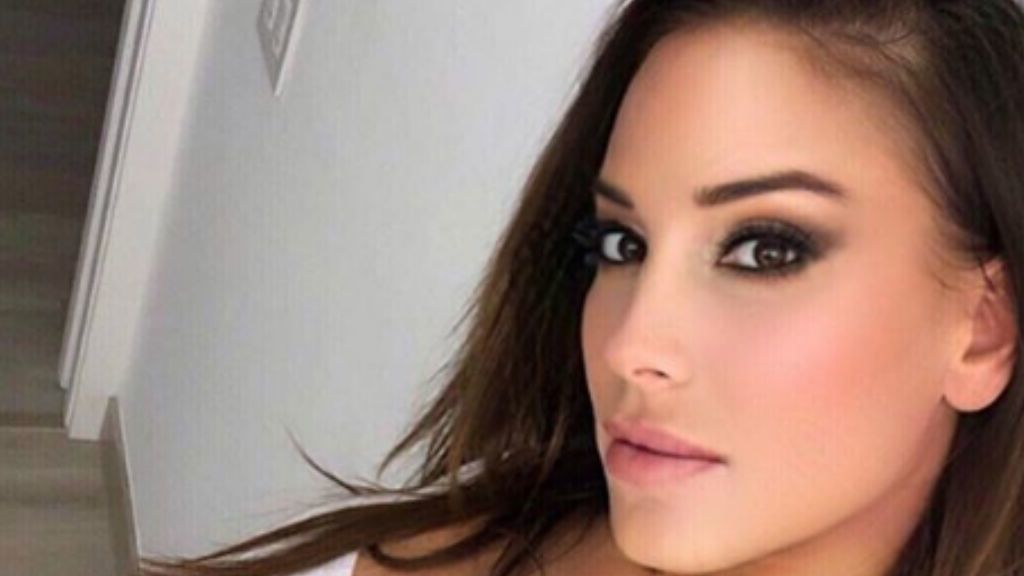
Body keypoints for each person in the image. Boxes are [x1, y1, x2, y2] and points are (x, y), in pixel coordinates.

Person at [141, 0, 1024, 574]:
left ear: (982, 329)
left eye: (764, 251)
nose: (630, 343)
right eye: (620, 243)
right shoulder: (420, 551)